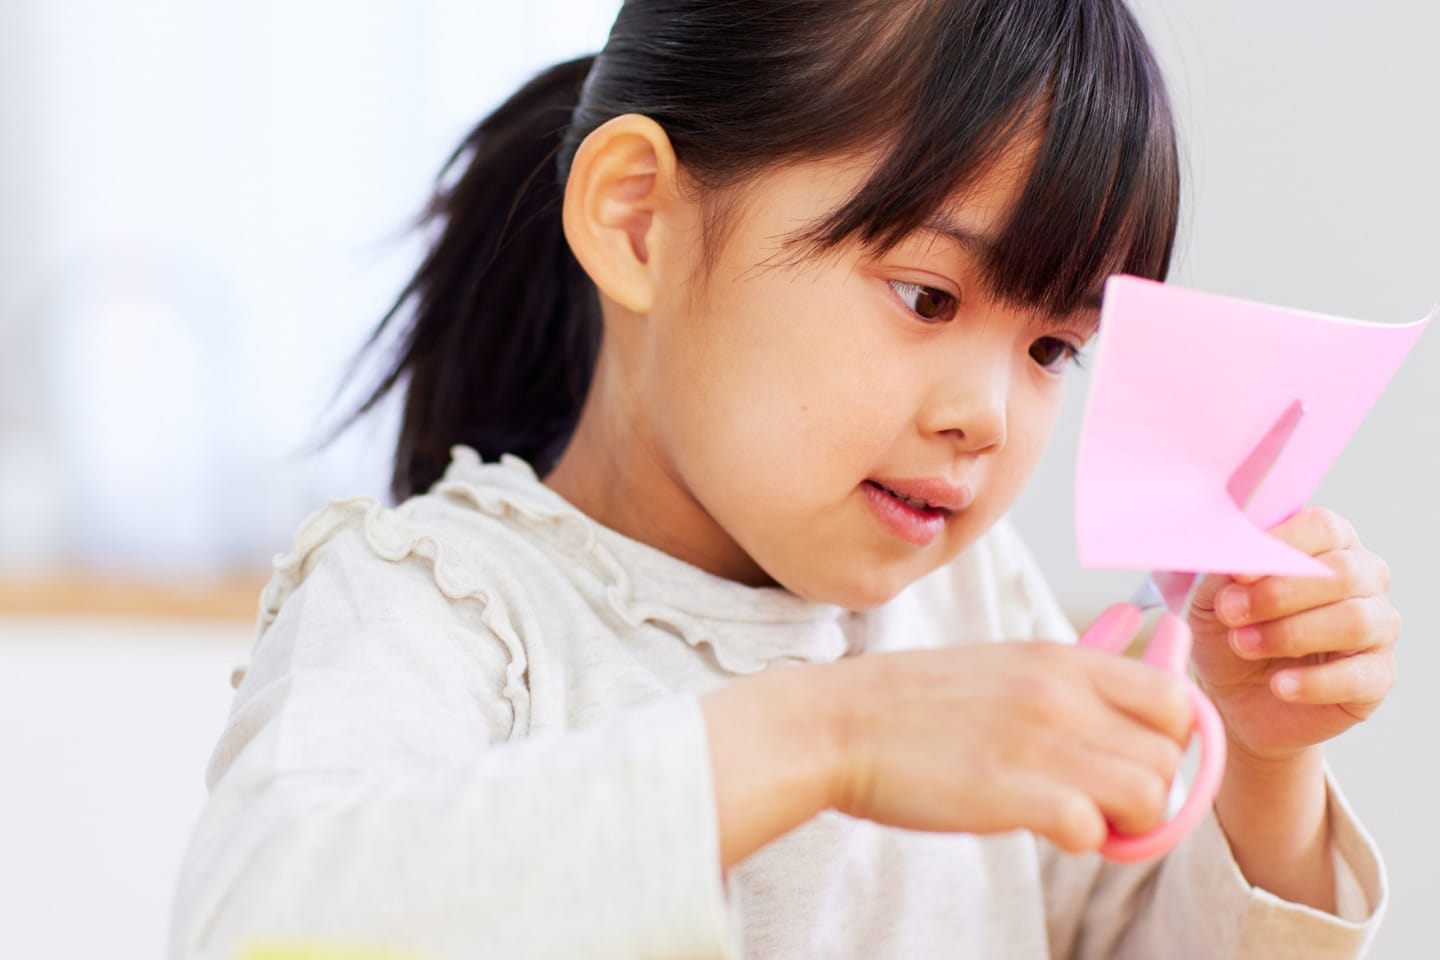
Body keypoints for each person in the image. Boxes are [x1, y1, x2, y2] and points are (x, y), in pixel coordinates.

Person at [170, 1, 1395, 957]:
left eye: (1050, 350)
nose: (987, 417)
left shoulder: (969, 611)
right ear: (640, 220)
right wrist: (830, 736)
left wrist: (1268, 762)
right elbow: (264, 923)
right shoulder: (439, 605)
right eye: (926, 296)